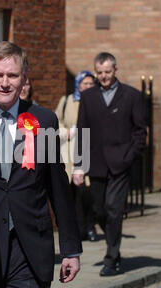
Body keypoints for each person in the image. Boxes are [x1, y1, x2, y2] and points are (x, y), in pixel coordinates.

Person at [0, 41, 82, 288]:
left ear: (24, 78)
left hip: (30, 250)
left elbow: (57, 188)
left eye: (13, 75)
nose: (5, 83)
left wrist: (70, 248)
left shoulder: (45, 120)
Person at [73, 52, 146, 277]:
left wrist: (130, 156)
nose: (104, 76)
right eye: (100, 72)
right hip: (95, 164)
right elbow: (82, 131)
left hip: (120, 164)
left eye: (107, 72)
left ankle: (111, 258)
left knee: (114, 210)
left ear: (116, 70)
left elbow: (140, 131)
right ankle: (114, 244)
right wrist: (78, 165)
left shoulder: (132, 96)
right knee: (99, 211)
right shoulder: (88, 97)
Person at [55, 70, 96, 241]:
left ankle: (90, 226)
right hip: (70, 150)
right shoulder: (67, 101)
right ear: (78, 84)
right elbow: (56, 122)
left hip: (90, 148)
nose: (87, 86)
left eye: (90, 83)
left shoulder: (96, 100)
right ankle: (78, 229)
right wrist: (68, 132)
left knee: (88, 192)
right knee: (73, 192)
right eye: (84, 83)